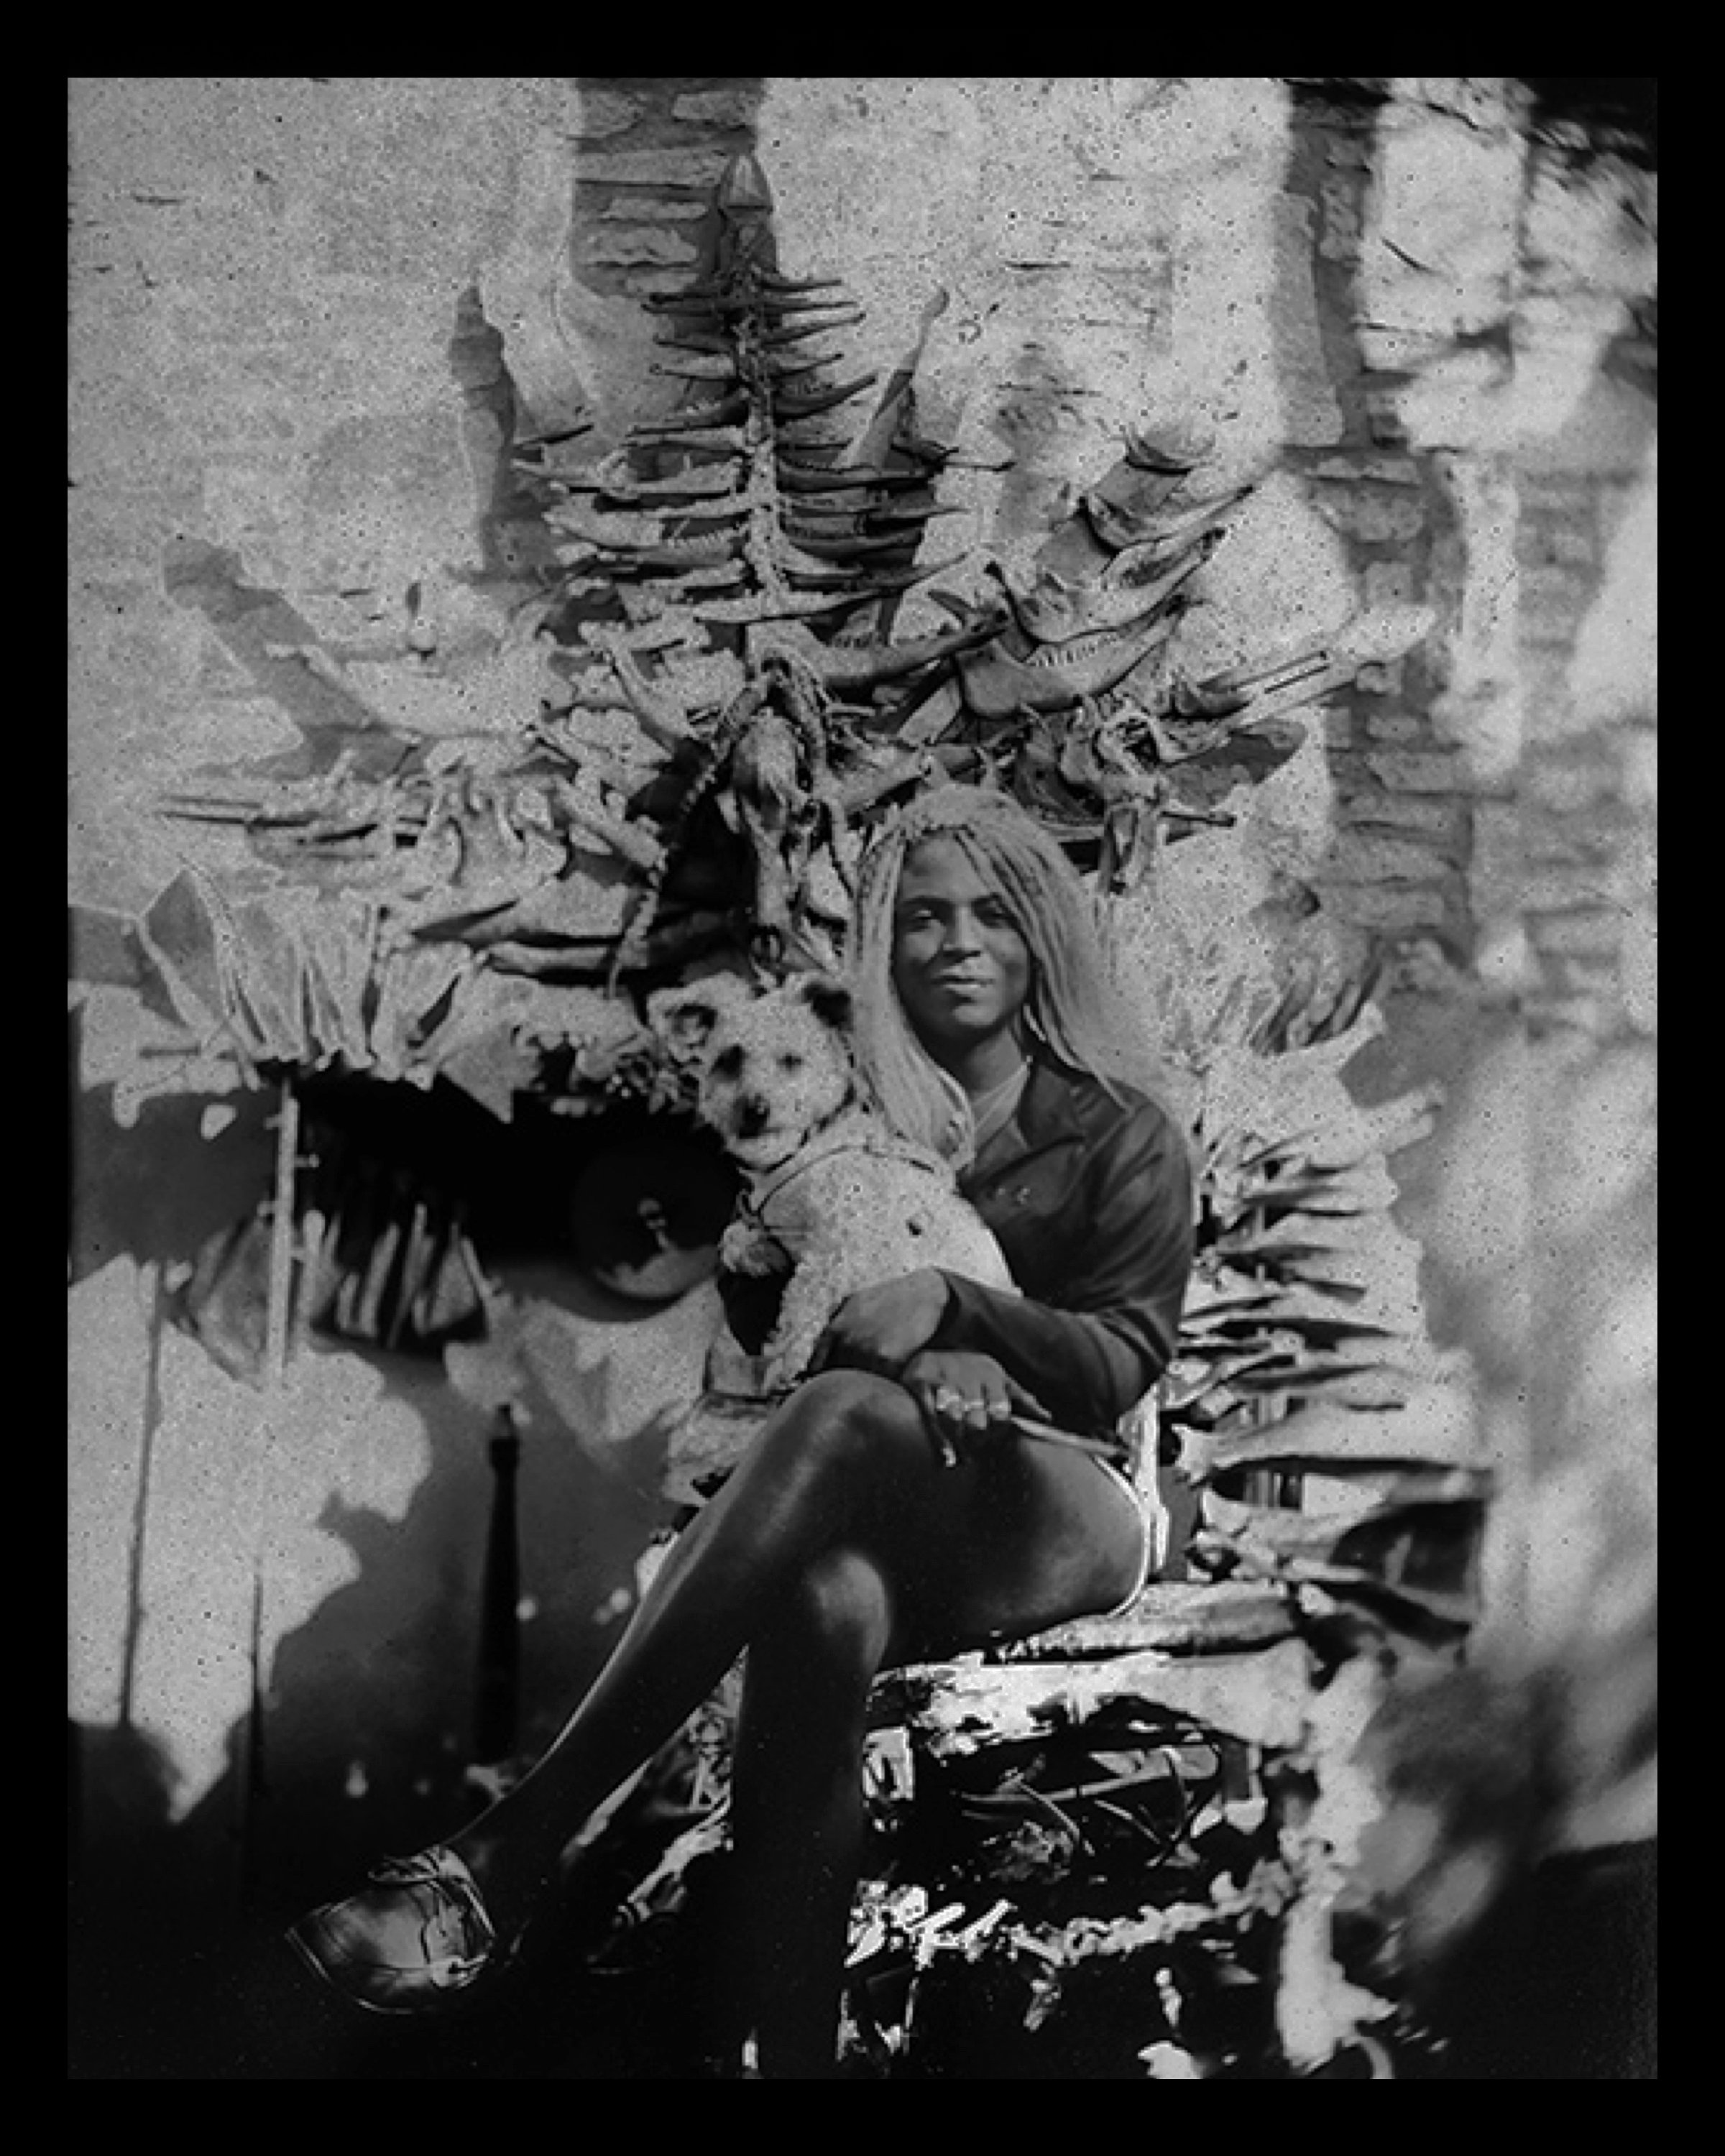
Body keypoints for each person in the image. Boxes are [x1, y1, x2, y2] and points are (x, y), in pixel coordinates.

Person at [288, 782, 1196, 2078]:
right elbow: (769, 1326)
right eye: (923, 916)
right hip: (899, 1493)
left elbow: (1125, 1360)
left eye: (994, 915)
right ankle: (783, 2060)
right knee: (823, 1600)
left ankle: (508, 1853)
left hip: (1074, 1505)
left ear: (1042, 936)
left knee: (834, 1413)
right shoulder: (843, 1115)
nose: (956, 942)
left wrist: (956, 1306)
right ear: (881, 945)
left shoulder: (1120, 1125)